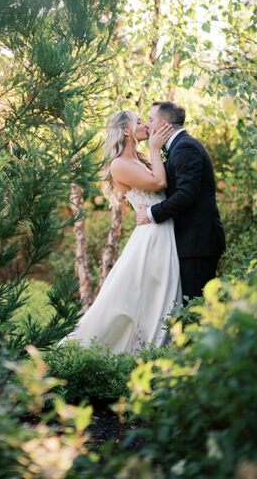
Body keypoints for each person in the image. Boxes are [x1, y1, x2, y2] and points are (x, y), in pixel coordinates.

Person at [60, 110, 181, 354]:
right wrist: (156, 150)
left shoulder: (138, 159)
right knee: (135, 299)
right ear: (126, 131)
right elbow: (159, 183)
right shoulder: (119, 165)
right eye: (139, 121)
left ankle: (156, 352)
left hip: (163, 232)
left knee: (159, 296)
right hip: (152, 238)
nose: (145, 125)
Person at [137, 101, 225, 300]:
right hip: (189, 242)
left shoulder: (186, 147)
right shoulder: (178, 147)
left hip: (197, 243)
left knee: (194, 308)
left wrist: (150, 214)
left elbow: (186, 195)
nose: (148, 125)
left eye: (151, 120)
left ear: (165, 124)